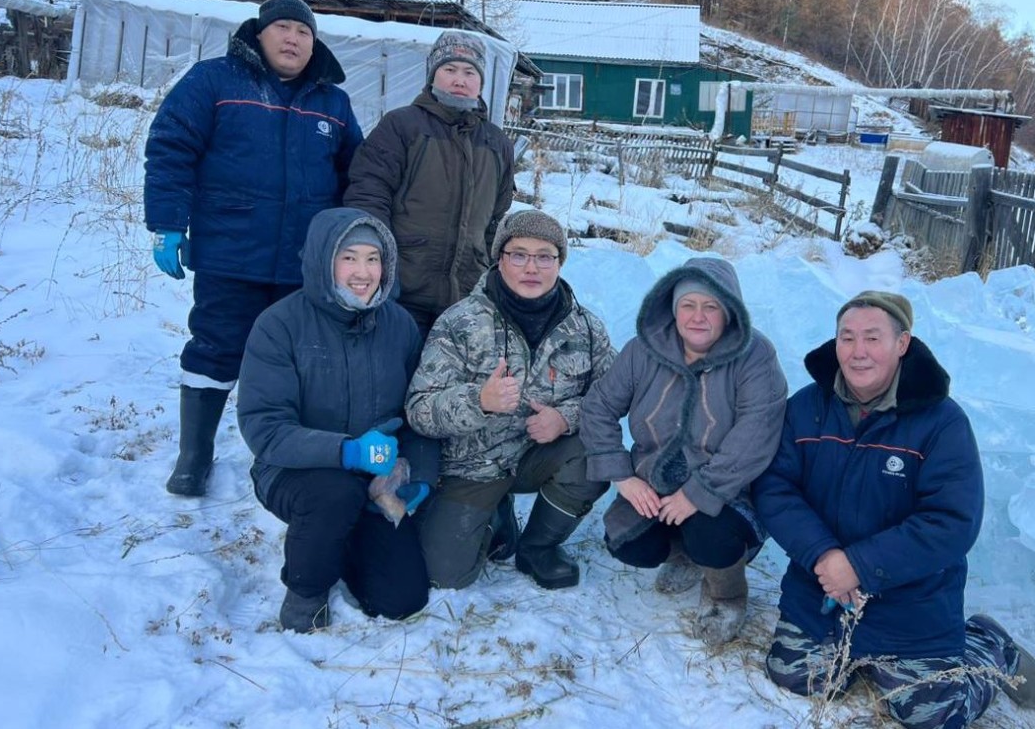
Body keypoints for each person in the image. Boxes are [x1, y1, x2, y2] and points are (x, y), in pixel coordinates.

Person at [753, 291, 1035, 727]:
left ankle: (987, 643)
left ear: (902, 343)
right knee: (797, 676)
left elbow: (951, 522)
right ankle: (856, 652)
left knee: (932, 715)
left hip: (910, 602)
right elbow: (775, 488)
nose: (857, 352)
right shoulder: (806, 408)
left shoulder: (943, 422)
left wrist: (860, 565)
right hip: (823, 591)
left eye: (873, 338)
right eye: (847, 338)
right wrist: (825, 556)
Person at [144, 0, 363, 497]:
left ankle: (292, 451)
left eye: (304, 32)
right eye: (283, 28)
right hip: (230, 251)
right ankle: (194, 454)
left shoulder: (332, 101)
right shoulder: (214, 81)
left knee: (299, 357)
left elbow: (356, 173)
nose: (293, 39)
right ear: (258, 34)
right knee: (216, 347)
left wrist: (355, 241)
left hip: (303, 260)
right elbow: (171, 146)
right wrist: (168, 222)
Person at [237, 207, 432, 632]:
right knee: (334, 495)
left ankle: (344, 541)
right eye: (349, 257)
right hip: (296, 473)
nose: (363, 272)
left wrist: (421, 475)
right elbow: (264, 427)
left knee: (402, 598)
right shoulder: (280, 325)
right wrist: (346, 451)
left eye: (373, 259)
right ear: (324, 260)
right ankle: (306, 592)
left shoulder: (399, 325)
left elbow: (419, 410)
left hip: (377, 476)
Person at [579, 258, 787, 645]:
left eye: (711, 307)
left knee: (711, 533)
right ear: (672, 309)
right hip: (656, 475)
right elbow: (598, 408)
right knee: (629, 542)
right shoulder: (642, 350)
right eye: (688, 305)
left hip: (731, 487)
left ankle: (727, 594)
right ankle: (686, 558)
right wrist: (622, 476)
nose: (698, 317)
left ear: (729, 313)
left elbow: (756, 435)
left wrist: (698, 494)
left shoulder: (756, 356)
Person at [405, 210, 615, 591]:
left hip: (538, 457)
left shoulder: (585, 327)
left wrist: (565, 419)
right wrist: (478, 401)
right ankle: (496, 517)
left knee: (593, 454)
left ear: (559, 262)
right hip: (472, 466)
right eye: (518, 254)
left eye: (544, 256)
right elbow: (419, 409)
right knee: (445, 575)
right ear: (499, 258)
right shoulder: (460, 322)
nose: (531, 267)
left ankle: (538, 548)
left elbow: (612, 398)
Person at [343, 29, 515, 337]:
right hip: (402, 291)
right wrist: (377, 265)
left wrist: (487, 273)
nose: (459, 80)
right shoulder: (402, 125)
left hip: (466, 296)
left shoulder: (496, 142)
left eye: (469, 72)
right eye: (449, 69)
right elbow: (368, 195)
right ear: (432, 75)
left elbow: (497, 219)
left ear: (481, 82)